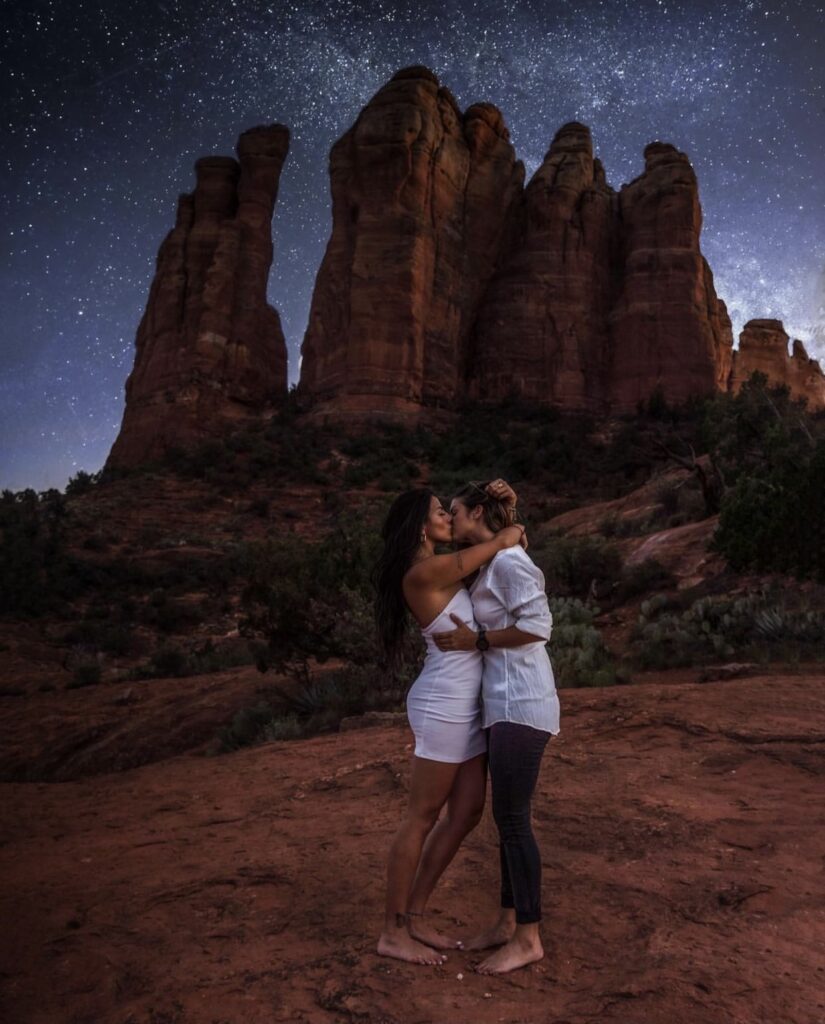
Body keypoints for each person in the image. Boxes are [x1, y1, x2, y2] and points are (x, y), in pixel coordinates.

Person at [373, 487, 527, 965]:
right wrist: (512, 529)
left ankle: (415, 915)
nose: (446, 517)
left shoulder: (443, 566)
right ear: (422, 526)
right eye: (440, 511)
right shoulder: (422, 573)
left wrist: (510, 511)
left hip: (468, 705)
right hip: (443, 702)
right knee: (422, 815)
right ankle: (392, 930)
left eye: (448, 510)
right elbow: (499, 544)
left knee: (466, 812)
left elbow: (498, 548)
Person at [434, 481, 560, 975]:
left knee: (513, 821)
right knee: (505, 820)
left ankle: (529, 937)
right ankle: (508, 922)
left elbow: (539, 625)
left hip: (523, 705)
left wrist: (477, 640)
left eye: (456, 510)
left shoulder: (507, 563)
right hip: (502, 706)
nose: (450, 517)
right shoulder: (495, 559)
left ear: (477, 512)